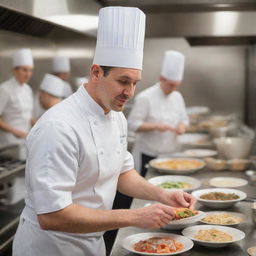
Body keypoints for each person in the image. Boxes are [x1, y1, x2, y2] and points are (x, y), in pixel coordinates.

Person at [13, 7, 196, 256]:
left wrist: (162, 194)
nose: (130, 92)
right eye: (123, 81)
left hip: (93, 243)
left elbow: (122, 172)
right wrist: (134, 216)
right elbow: (52, 216)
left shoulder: (116, 116)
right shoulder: (58, 127)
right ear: (96, 72)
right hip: (52, 247)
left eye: (134, 83)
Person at [128, 51, 189, 176]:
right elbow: (132, 124)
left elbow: (184, 119)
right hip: (149, 154)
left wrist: (182, 126)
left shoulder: (177, 96)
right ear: (162, 78)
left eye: (176, 86)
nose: (173, 89)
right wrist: (155, 126)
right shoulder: (145, 97)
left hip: (171, 154)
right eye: (171, 85)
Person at [0, 48, 34, 160]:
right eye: (24, 70)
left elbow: (28, 116)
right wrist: (15, 132)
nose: (28, 74)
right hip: (9, 144)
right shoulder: (4, 89)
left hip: (25, 141)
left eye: (30, 70)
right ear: (14, 70)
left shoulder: (28, 89)